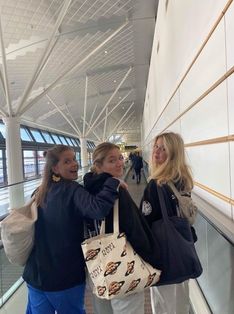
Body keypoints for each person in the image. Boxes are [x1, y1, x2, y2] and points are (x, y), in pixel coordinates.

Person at [23, 144, 122, 314]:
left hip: (35, 275)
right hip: (64, 276)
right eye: (67, 161)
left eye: (74, 159)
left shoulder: (38, 192)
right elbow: (98, 209)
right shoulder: (72, 190)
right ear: (55, 168)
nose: (74, 164)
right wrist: (113, 182)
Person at [83, 142, 161, 314]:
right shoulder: (117, 191)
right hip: (123, 269)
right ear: (98, 165)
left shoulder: (85, 191)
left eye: (120, 158)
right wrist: (152, 257)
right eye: (112, 160)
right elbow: (135, 230)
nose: (119, 163)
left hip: (97, 269)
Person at [140, 132, 194, 314]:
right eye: (156, 146)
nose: (156, 152)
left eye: (163, 149)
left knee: (164, 305)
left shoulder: (156, 185)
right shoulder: (183, 180)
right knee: (179, 303)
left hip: (163, 256)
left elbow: (145, 223)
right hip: (181, 251)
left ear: (173, 153)